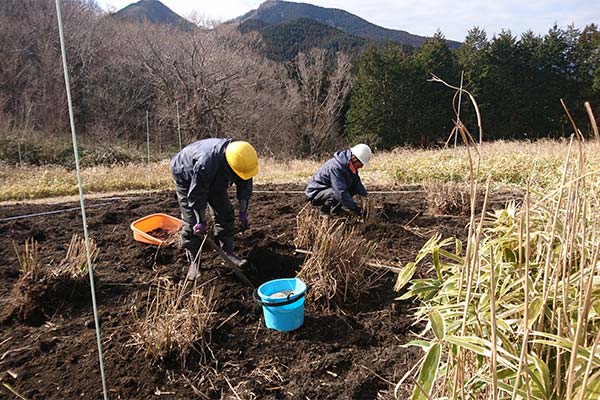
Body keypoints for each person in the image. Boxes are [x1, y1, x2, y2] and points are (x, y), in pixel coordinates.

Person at [171, 138, 259, 280]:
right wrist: (201, 221)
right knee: (191, 221)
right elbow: (197, 194)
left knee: (225, 212)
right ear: (229, 166)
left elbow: (245, 187)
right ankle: (195, 262)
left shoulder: (243, 160)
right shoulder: (206, 164)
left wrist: (243, 212)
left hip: (216, 176)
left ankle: (228, 253)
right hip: (185, 173)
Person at [305, 143, 372, 217]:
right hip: (316, 193)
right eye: (361, 163)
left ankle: (335, 210)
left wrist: (364, 195)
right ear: (354, 158)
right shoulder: (336, 167)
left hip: (330, 190)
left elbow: (356, 183)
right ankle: (324, 211)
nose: (362, 166)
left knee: (352, 188)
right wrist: (355, 209)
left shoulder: (350, 166)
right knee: (337, 192)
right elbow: (339, 192)